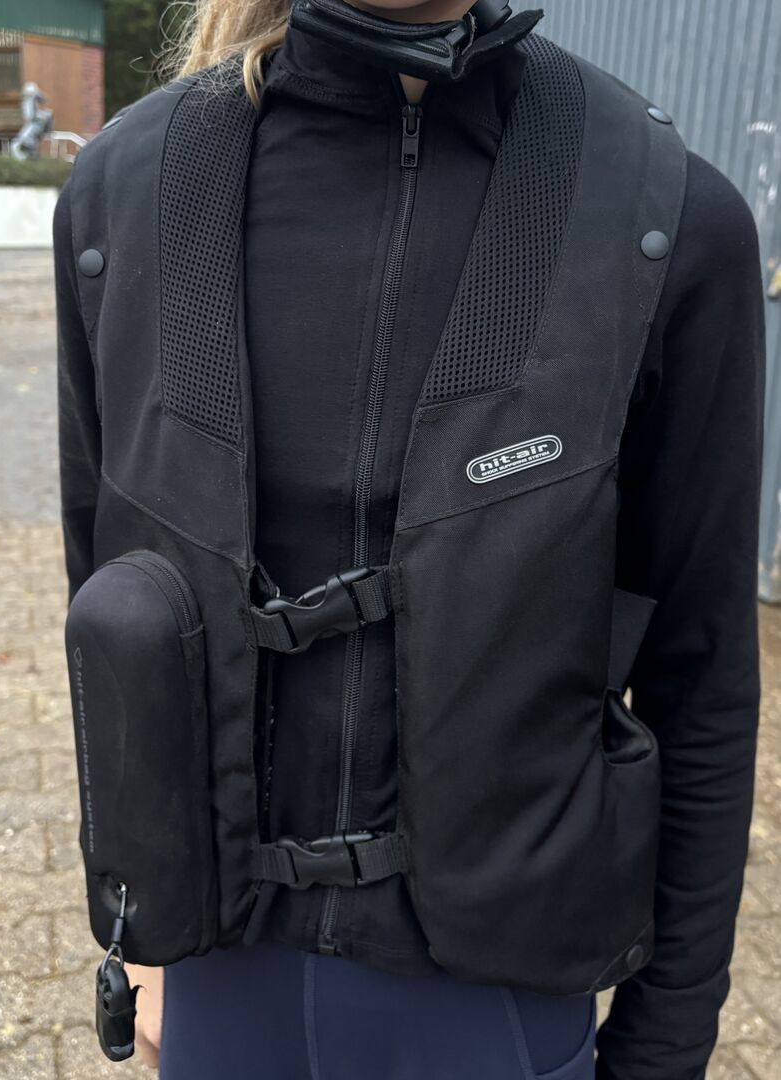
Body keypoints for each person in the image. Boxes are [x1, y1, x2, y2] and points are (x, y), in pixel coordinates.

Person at [54, 0, 765, 1077]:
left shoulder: (660, 214)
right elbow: (111, 625)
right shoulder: (125, 193)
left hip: (502, 1008)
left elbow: (702, 678)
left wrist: (664, 1046)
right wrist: (139, 922)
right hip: (217, 991)